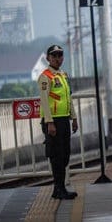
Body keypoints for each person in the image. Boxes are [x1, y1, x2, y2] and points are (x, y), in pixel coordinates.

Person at [38, 44, 79, 199]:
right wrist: (49, 123)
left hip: (64, 120)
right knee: (57, 155)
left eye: (60, 55)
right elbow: (44, 101)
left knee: (65, 155)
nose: (57, 58)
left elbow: (68, 99)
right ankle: (59, 189)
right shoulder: (45, 77)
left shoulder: (63, 75)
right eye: (54, 55)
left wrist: (74, 118)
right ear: (48, 58)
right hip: (53, 122)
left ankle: (59, 189)